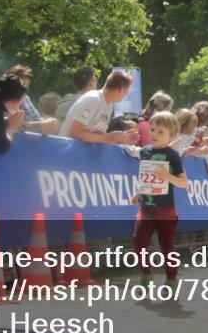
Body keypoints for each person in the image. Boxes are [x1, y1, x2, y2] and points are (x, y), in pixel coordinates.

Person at [131, 110, 188, 289]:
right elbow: (145, 176)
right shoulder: (144, 151)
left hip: (165, 210)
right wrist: (138, 192)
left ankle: (171, 278)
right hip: (146, 207)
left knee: (166, 246)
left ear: (171, 135)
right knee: (138, 241)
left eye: (160, 132)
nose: (154, 134)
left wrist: (168, 176)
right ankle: (146, 275)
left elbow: (184, 182)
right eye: (152, 129)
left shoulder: (173, 156)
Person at [59, 70, 137, 144]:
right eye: (126, 91)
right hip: (67, 152)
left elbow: (96, 135)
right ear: (119, 90)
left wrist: (119, 139)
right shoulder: (93, 99)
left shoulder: (109, 105)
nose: (126, 94)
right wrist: (107, 138)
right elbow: (75, 133)